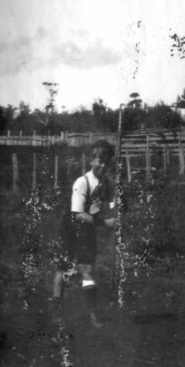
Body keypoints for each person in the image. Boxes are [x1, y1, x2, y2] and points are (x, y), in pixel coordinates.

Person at [52, 140, 117, 328]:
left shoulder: (105, 182)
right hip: (71, 228)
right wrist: (105, 223)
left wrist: (118, 205)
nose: (103, 166)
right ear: (91, 160)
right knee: (63, 270)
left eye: (107, 162)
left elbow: (110, 202)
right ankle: (57, 311)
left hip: (88, 229)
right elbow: (78, 214)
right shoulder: (82, 182)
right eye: (100, 161)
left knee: (88, 271)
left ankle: (92, 313)